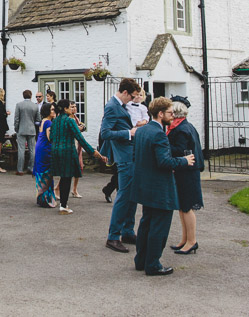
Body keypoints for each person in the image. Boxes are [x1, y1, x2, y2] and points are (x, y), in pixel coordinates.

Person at [131, 97, 195, 276]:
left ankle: (141, 260)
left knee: (146, 223)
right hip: (159, 187)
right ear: (160, 114)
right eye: (169, 113)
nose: (172, 116)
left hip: (145, 185)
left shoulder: (142, 131)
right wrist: (184, 160)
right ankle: (153, 264)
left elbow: (138, 157)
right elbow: (164, 161)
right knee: (159, 226)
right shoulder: (159, 133)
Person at [101, 78, 142, 253]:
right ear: (124, 92)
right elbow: (105, 133)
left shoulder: (120, 106)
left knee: (132, 194)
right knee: (124, 195)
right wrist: (129, 132)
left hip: (130, 154)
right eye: (132, 96)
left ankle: (127, 231)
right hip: (124, 156)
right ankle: (113, 236)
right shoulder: (112, 106)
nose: (133, 100)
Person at [51, 99, 106, 214]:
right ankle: (63, 206)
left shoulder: (55, 121)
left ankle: (63, 204)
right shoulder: (70, 121)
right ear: (65, 109)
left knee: (63, 176)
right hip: (67, 150)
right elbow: (80, 138)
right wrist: (93, 152)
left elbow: (52, 136)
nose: (72, 109)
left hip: (55, 150)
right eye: (70, 107)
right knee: (66, 178)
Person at [167, 96, 204, 255]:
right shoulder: (185, 126)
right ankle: (185, 239)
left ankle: (192, 241)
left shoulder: (181, 129)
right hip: (186, 171)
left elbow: (180, 150)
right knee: (182, 207)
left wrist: (163, 145)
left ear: (175, 113)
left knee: (187, 207)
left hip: (187, 172)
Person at [34, 102, 57, 208]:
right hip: (45, 149)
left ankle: (41, 196)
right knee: (46, 172)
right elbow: (50, 138)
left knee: (42, 171)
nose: (54, 111)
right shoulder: (48, 123)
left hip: (40, 147)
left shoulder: (43, 121)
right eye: (52, 110)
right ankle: (45, 198)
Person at [14, 89, 40, 176]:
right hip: (32, 129)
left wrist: (16, 128)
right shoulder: (35, 106)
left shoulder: (19, 105)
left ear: (23, 95)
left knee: (21, 150)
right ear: (31, 96)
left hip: (21, 129)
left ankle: (20, 169)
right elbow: (38, 119)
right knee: (32, 150)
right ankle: (31, 168)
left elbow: (16, 119)